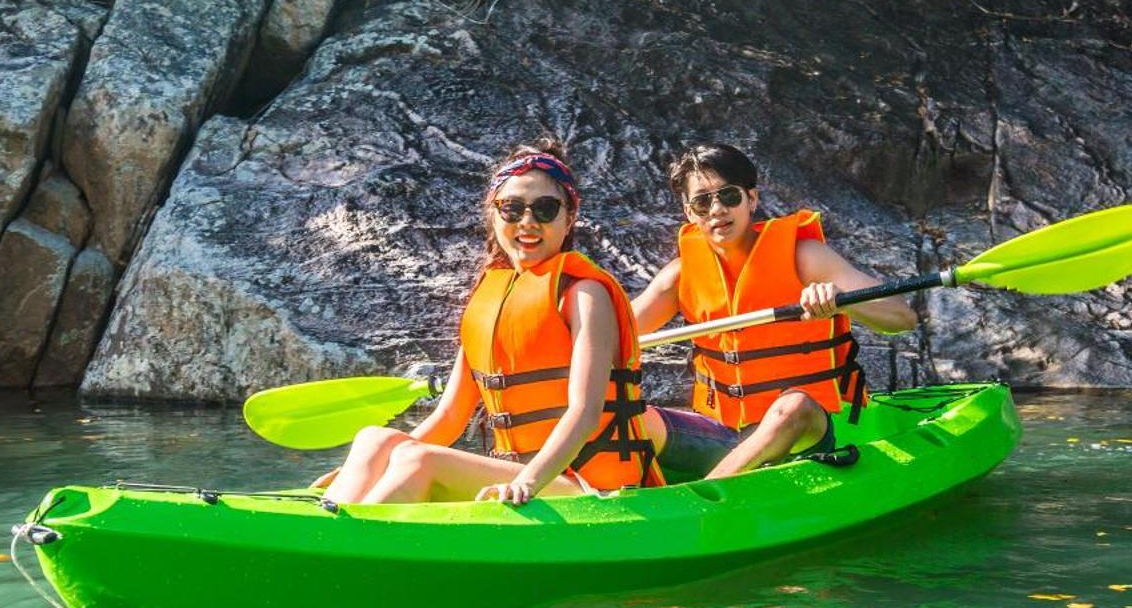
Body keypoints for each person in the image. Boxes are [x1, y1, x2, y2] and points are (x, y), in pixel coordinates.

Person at [321, 143, 662, 506]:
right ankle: (326, 518)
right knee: (377, 439)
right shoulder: (490, 299)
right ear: (493, 213)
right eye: (512, 208)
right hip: (515, 473)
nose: (527, 222)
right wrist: (380, 461)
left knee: (417, 460)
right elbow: (451, 416)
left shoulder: (584, 295)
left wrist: (527, 482)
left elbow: (585, 412)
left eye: (545, 209)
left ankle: (344, 542)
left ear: (570, 216)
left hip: (582, 484)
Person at [632, 144, 919, 480]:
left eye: (729, 196)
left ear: (751, 199)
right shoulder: (680, 275)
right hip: (723, 434)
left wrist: (840, 298)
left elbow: (902, 318)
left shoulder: (805, 256)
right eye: (702, 201)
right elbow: (614, 334)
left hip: (803, 432)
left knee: (792, 406)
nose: (717, 209)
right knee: (628, 418)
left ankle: (703, 501)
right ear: (689, 211)